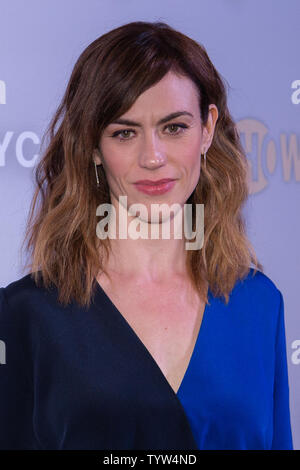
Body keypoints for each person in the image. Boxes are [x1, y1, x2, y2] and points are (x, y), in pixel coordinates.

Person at [0, 21, 293, 450]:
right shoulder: (26, 314)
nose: (152, 157)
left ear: (207, 128)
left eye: (174, 127)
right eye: (124, 133)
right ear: (94, 146)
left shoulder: (260, 303)